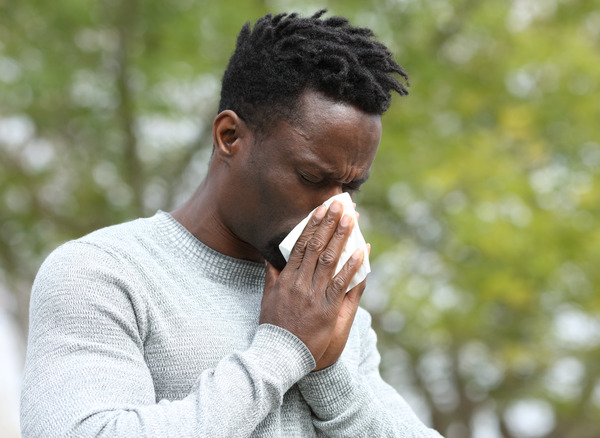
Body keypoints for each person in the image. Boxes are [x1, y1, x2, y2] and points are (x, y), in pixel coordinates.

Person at [21, 10, 443, 437]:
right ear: (229, 137)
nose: (334, 212)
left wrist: (328, 375)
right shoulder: (102, 274)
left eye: (350, 188)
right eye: (312, 178)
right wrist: (281, 351)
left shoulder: (324, 301)